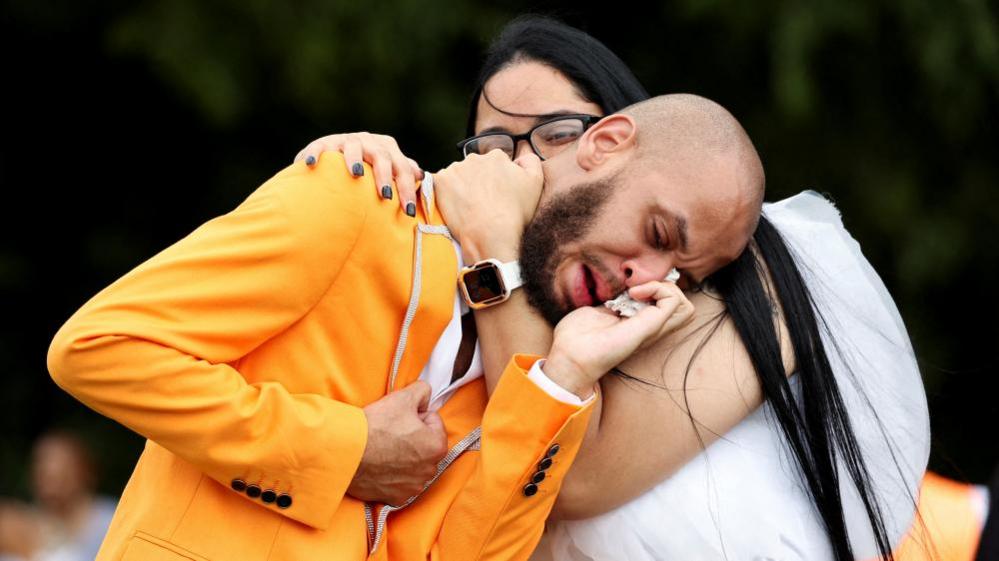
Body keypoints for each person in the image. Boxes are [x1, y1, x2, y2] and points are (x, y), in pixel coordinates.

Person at [295, 15, 929, 560]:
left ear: (610, 140)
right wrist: (355, 167)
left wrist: (498, 252)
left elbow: (569, 474)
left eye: (557, 136)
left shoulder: (753, 269)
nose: (521, 168)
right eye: (489, 147)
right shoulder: (469, 269)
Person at [45, 92, 751, 559]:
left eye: (679, 275)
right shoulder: (359, 201)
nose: (647, 275)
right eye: (658, 230)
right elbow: (100, 347)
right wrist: (344, 450)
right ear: (605, 143)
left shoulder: (538, 376)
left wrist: (563, 379)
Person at [0, 431, 116, 561]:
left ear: (85, 472)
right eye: (45, 473)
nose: (53, 482)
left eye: (63, 472)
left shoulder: (111, 520)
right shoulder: (16, 523)